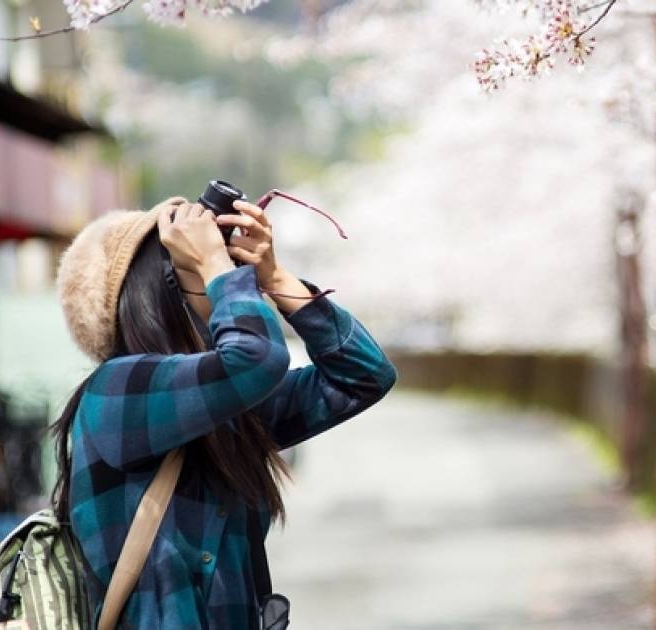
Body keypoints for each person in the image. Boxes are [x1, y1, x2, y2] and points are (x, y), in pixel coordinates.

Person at [51, 196, 397, 628]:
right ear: (156, 292)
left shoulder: (222, 412)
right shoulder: (117, 392)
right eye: (193, 264)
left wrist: (274, 276)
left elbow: (364, 375)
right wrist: (216, 263)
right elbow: (258, 358)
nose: (226, 277)